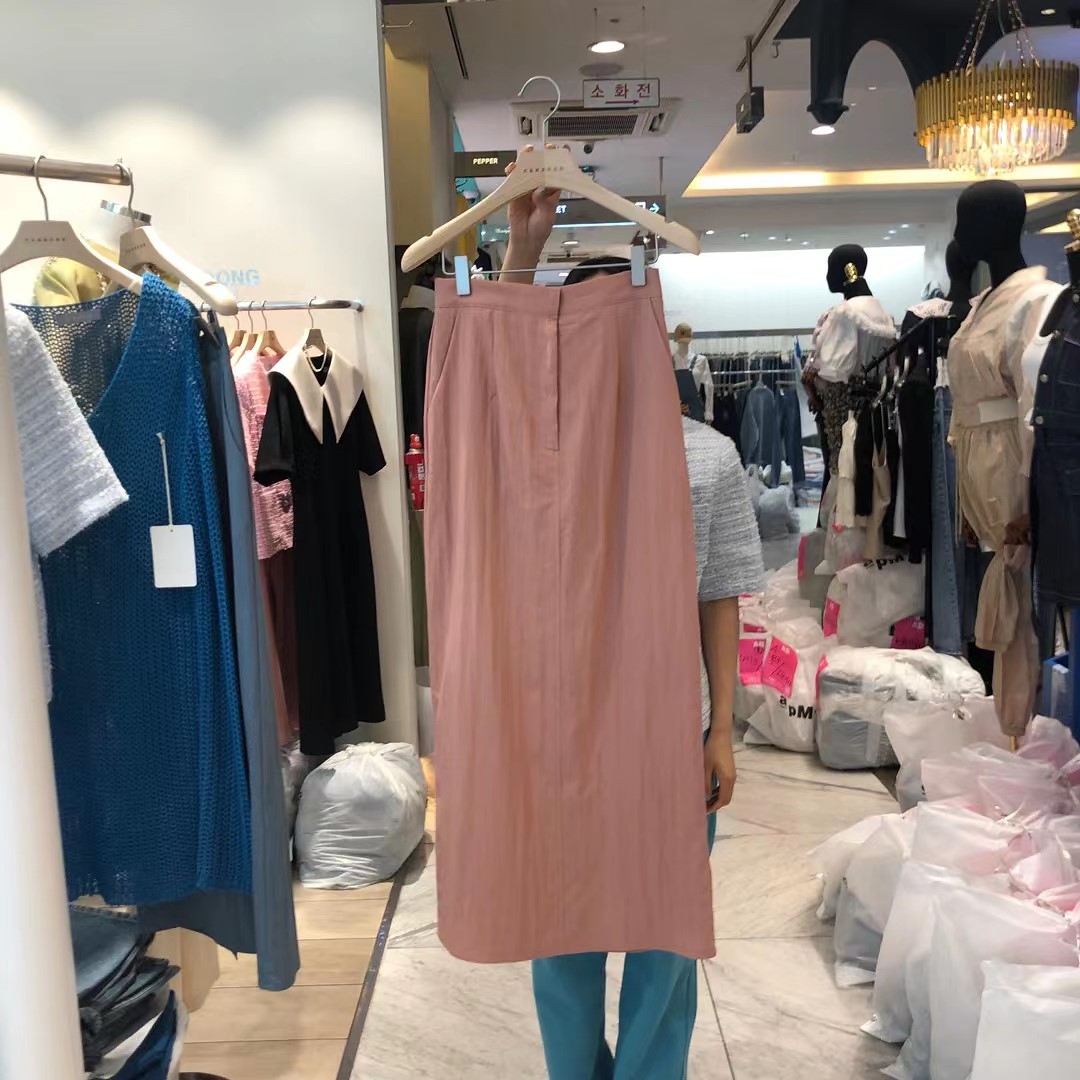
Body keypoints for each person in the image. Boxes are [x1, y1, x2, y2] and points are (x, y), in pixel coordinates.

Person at [499, 154, 765, 1079]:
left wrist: (720, 730)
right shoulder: (528, 457)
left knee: (664, 941)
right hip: (556, 730)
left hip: (664, 729)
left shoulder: (705, 456)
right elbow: (489, 384)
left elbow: (718, 595)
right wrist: (521, 256)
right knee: (561, 933)